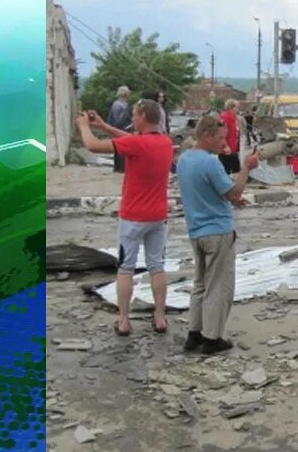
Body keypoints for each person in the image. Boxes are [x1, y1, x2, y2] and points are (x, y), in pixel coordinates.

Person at [75, 100, 174, 337]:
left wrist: (84, 126)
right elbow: (129, 140)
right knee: (157, 266)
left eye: (134, 114)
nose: (132, 118)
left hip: (132, 216)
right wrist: (104, 125)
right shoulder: (165, 142)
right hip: (158, 215)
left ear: (141, 116)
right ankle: (160, 317)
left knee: (126, 268)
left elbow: (93, 146)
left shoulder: (136, 143)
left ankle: (123, 321)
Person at [176, 115, 260, 355]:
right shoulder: (210, 162)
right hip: (217, 230)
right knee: (218, 286)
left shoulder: (184, 160)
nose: (224, 144)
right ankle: (212, 338)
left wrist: (230, 197)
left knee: (200, 284)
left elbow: (211, 191)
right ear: (206, 136)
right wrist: (246, 167)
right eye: (220, 139)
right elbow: (233, 191)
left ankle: (194, 333)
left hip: (196, 229)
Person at [107, 86, 133, 173]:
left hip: (114, 130)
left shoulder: (115, 104)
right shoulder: (124, 106)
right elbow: (121, 119)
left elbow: (110, 119)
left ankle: (117, 168)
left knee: (117, 149)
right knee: (123, 149)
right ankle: (122, 168)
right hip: (123, 129)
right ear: (126, 94)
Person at [219, 99, 241, 174]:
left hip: (233, 150)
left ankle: (235, 184)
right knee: (226, 172)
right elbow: (221, 134)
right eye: (237, 107)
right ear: (231, 108)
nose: (238, 110)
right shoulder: (225, 118)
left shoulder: (234, 118)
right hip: (226, 151)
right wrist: (226, 146)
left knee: (237, 170)